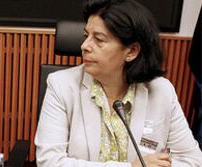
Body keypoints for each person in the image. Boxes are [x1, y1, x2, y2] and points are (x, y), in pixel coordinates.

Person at [35, 0, 202, 166]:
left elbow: (193, 160)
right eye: (86, 36)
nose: (84, 46)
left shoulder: (161, 91)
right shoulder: (61, 85)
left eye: (99, 39)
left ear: (132, 51)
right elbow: (49, 162)